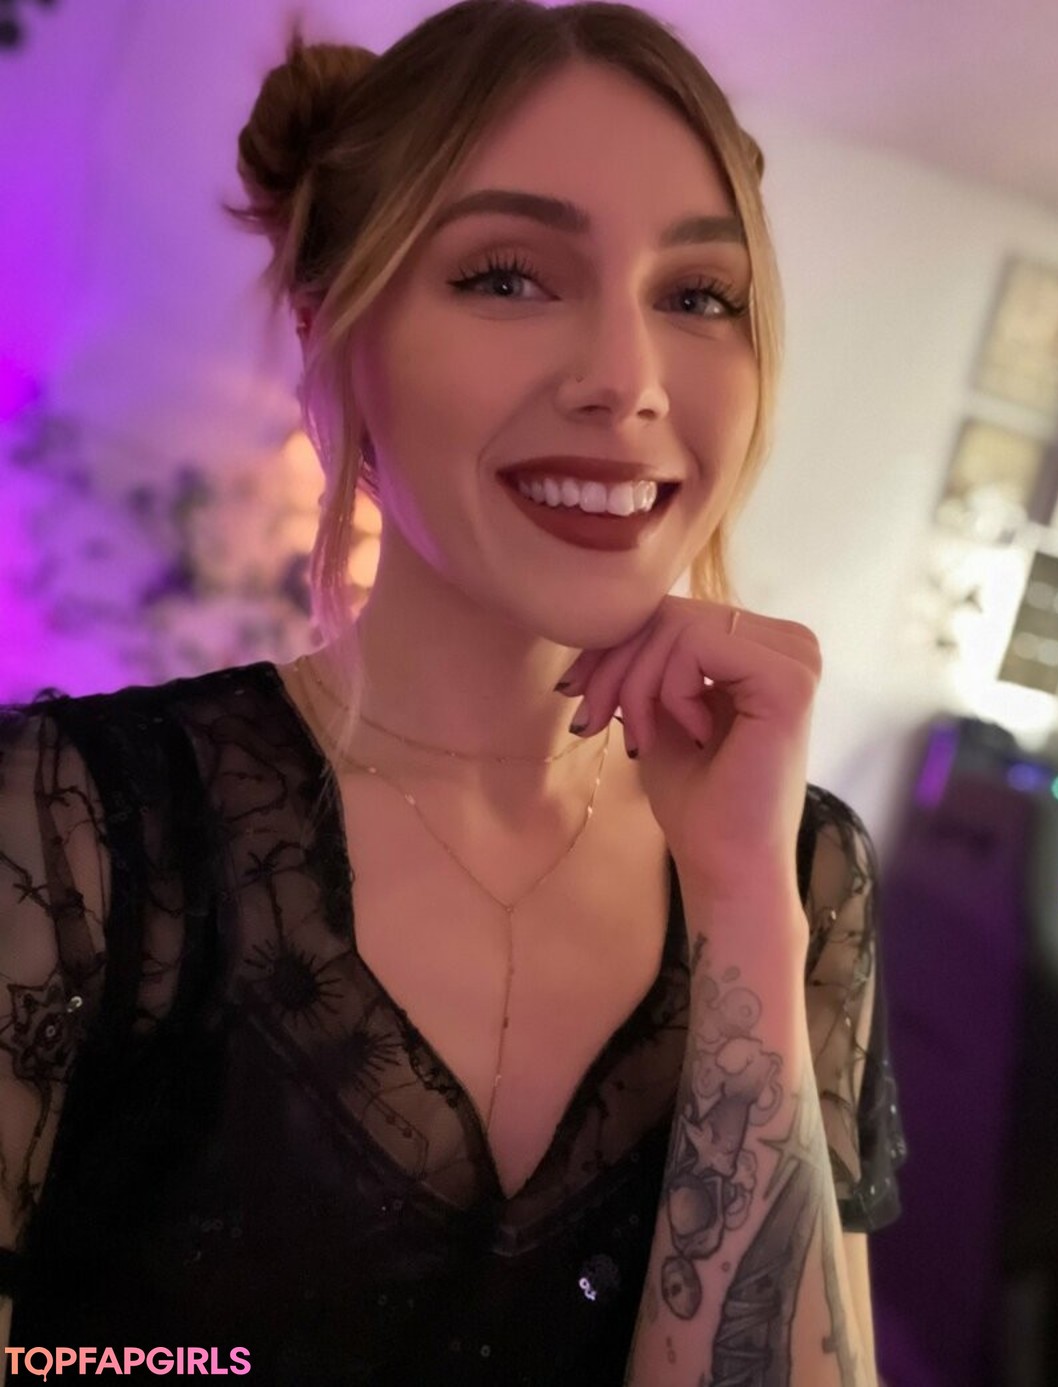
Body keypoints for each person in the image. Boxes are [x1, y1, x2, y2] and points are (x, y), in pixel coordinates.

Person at [0, 2, 907, 1382]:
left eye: (697, 297)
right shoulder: (63, 831)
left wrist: (744, 909)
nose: (627, 382)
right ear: (333, 333)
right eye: (507, 276)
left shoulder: (804, 871)